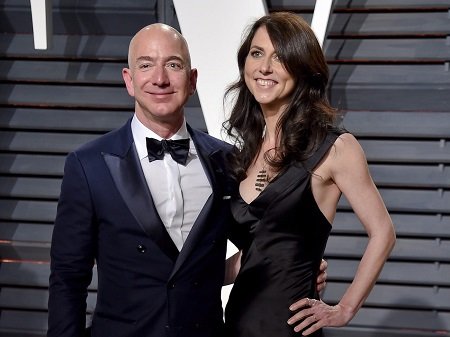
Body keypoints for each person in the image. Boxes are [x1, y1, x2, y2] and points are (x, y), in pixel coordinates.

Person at [47, 22, 327, 337]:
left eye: (174, 65)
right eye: (146, 65)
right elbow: (68, 279)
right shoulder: (88, 165)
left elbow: (253, 240)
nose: (160, 78)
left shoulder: (228, 160)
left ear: (192, 80)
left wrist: (293, 262)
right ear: (129, 80)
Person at [222, 12, 396, 337]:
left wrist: (345, 309)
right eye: (257, 53)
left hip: (290, 330)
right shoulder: (244, 153)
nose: (264, 67)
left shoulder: (336, 148)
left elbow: (383, 232)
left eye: (279, 57)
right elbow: (256, 253)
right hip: (236, 326)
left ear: (302, 67)